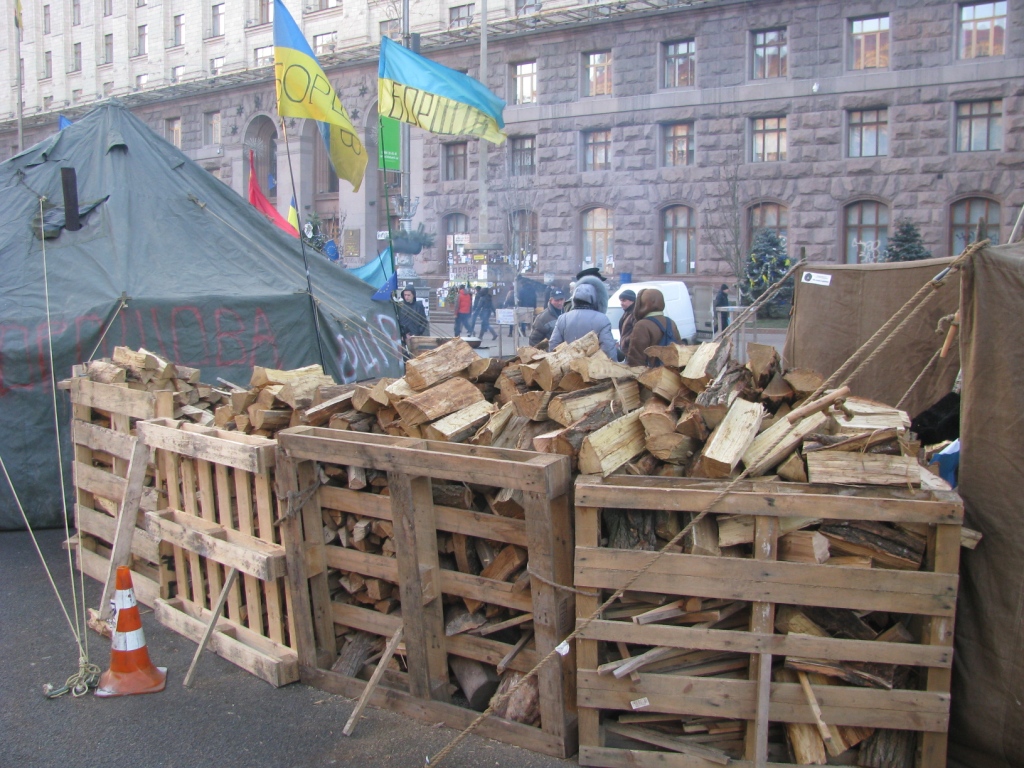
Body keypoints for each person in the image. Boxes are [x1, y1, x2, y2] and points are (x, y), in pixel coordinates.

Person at [549, 282, 617, 358]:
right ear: (593, 299)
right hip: (594, 364)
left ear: (574, 299)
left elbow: (554, 345)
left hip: (568, 363)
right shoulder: (602, 319)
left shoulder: (563, 319)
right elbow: (608, 349)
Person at [626, 288, 682, 367]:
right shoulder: (671, 322)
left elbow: (636, 359)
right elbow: (680, 350)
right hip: (671, 372)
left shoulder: (642, 325)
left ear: (642, 304)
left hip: (652, 373)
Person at [396, 287, 428, 352]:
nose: (406, 297)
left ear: (413, 295)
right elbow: (398, 321)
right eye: (405, 295)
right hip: (404, 337)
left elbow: (424, 321)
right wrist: (404, 334)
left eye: (408, 295)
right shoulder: (400, 306)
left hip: (416, 336)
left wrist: (417, 333)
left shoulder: (419, 305)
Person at [617, 289, 637, 359]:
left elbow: (636, 334)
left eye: (624, 300)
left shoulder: (635, 315)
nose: (621, 303)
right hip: (626, 351)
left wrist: (624, 341)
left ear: (632, 301)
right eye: (620, 301)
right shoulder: (627, 313)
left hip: (631, 352)